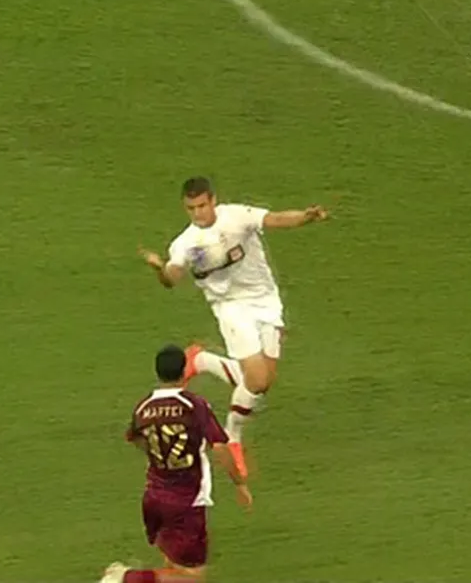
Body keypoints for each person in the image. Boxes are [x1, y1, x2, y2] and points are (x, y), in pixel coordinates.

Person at [138, 177, 328, 477]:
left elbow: (275, 219)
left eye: (202, 206)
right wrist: (160, 269)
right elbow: (172, 278)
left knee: (262, 381)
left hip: (266, 300)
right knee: (256, 380)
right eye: (191, 208)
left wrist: (305, 217)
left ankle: (200, 360)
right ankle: (232, 438)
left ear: (213, 200)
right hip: (230, 308)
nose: (198, 213)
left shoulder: (237, 217)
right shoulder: (186, 243)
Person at [100, 344, 251, 583]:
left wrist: (158, 457)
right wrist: (240, 484)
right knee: (192, 578)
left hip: (154, 496)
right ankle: (126, 578)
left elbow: (136, 438)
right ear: (184, 371)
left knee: (173, 564)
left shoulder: (144, 407)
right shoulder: (193, 405)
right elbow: (220, 447)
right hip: (186, 501)